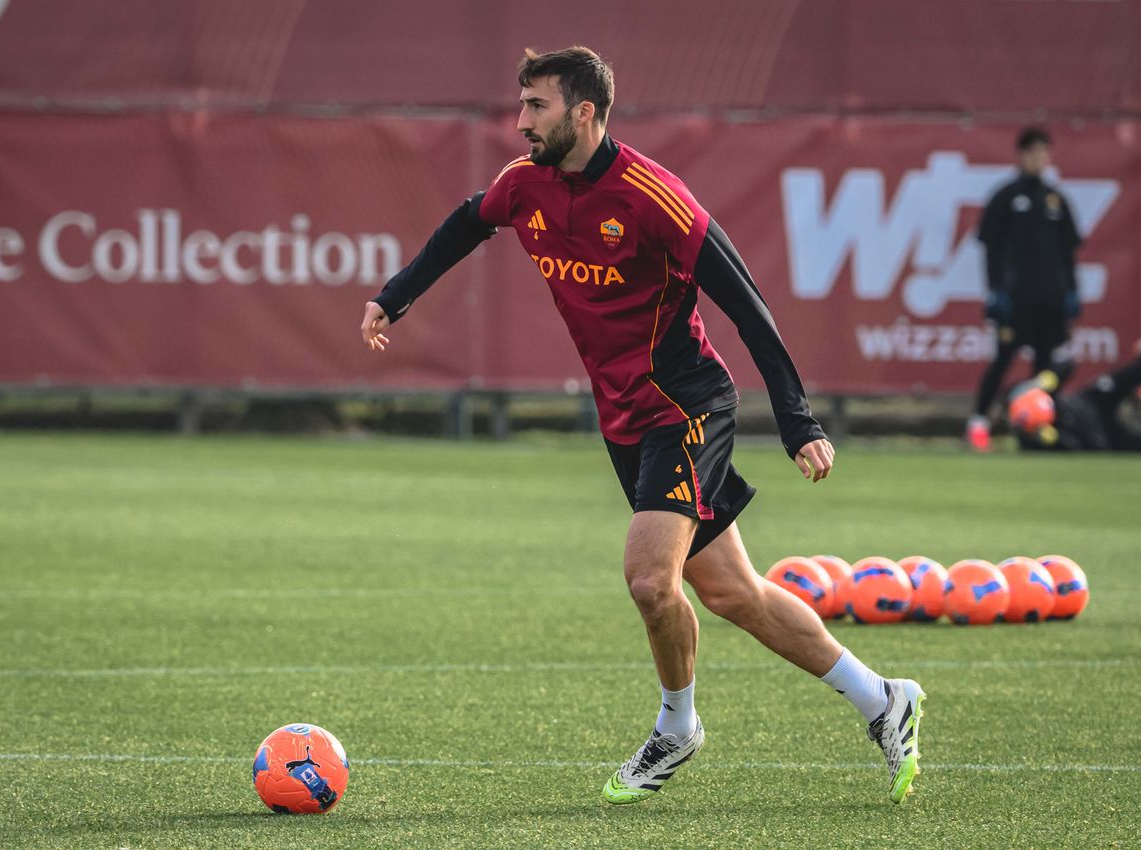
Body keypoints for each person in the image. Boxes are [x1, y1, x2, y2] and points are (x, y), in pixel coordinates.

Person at [359, 46, 925, 805]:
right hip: (625, 418)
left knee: (649, 583)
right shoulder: (523, 186)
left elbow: (747, 305)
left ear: (583, 112)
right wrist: (394, 297)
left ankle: (676, 726)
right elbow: (467, 224)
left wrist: (796, 420)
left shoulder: (653, 196)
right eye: (521, 104)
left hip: (685, 406)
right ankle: (883, 700)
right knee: (732, 594)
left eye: (537, 106)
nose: (520, 120)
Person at [967, 126, 1083, 452]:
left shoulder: (1056, 200)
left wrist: (1072, 291)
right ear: (1021, 156)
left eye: (1043, 153)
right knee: (1003, 360)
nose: (1039, 159)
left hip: (1050, 302)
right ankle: (978, 423)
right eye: (1033, 153)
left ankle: (1038, 431)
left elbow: (1068, 254)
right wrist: (994, 291)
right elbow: (990, 249)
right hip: (1015, 302)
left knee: (1046, 370)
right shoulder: (1006, 198)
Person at [1008, 331, 1141, 451]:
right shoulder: (1035, 440)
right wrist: (1052, 438)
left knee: (1127, 376)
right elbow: (1073, 447)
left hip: (1094, 400)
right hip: (1102, 435)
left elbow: (1068, 365)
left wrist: (1046, 380)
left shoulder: (1044, 392)